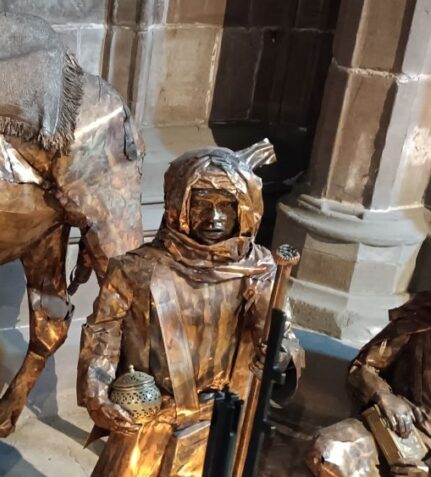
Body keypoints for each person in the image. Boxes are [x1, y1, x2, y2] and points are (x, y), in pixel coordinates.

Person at [77, 141, 303, 477]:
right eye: (201, 204)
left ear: (244, 209)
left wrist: (279, 356)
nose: (214, 217)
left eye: (225, 205)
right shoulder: (136, 270)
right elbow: (102, 335)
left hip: (223, 421)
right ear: (178, 205)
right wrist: (97, 392)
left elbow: (284, 338)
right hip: (153, 419)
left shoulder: (260, 271)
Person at [308, 292, 431, 477]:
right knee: (328, 452)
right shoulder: (421, 318)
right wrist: (382, 394)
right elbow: (362, 368)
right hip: (395, 430)